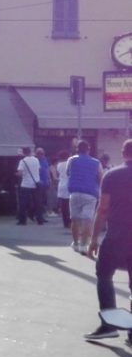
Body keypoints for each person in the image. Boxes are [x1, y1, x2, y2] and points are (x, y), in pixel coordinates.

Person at [83, 139, 132, 343]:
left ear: (123, 153)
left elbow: (102, 209)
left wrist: (94, 238)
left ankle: (109, 325)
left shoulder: (112, 175)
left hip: (117, 236)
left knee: (104, 274)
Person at [67, 140, 103, 253]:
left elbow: (68, 173)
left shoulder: (72, 159)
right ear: (89, 149)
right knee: (87, 219)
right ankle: (83, 245)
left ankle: (76, 243)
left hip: (75, 192)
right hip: (90, 193)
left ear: (77, 149)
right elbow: (100, 177)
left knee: (75, 219)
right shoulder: (96, 162)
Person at [15, 147, 43, 225]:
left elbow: (20, 173)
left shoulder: (22, 161)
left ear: (23, 153)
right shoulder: (36, 160)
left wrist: (16, 174)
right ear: (30, 152)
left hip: (25, 184)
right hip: (36, 184)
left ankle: (22, 220)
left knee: (23, 203)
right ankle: (40, 219)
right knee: (37, 202)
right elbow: (38, 170)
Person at [54, 150, 72, 229]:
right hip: (68, 185)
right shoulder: (70, 164)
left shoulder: (59, 165)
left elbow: (58, 174)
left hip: (61, 185)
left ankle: (65, 222)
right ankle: (70, 222)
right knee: (69, 205)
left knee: (63, 206)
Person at [35, 147, 51, 219]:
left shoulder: (45, 160)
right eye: (39, 153)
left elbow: (47, 170)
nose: (41, 155)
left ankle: (41, 215)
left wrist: (49, 179)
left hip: (45, 182)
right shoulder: (35, 161)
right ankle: (38, 215)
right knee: (39, 200)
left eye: (42, 153)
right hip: (38, 183)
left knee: (44, 199)